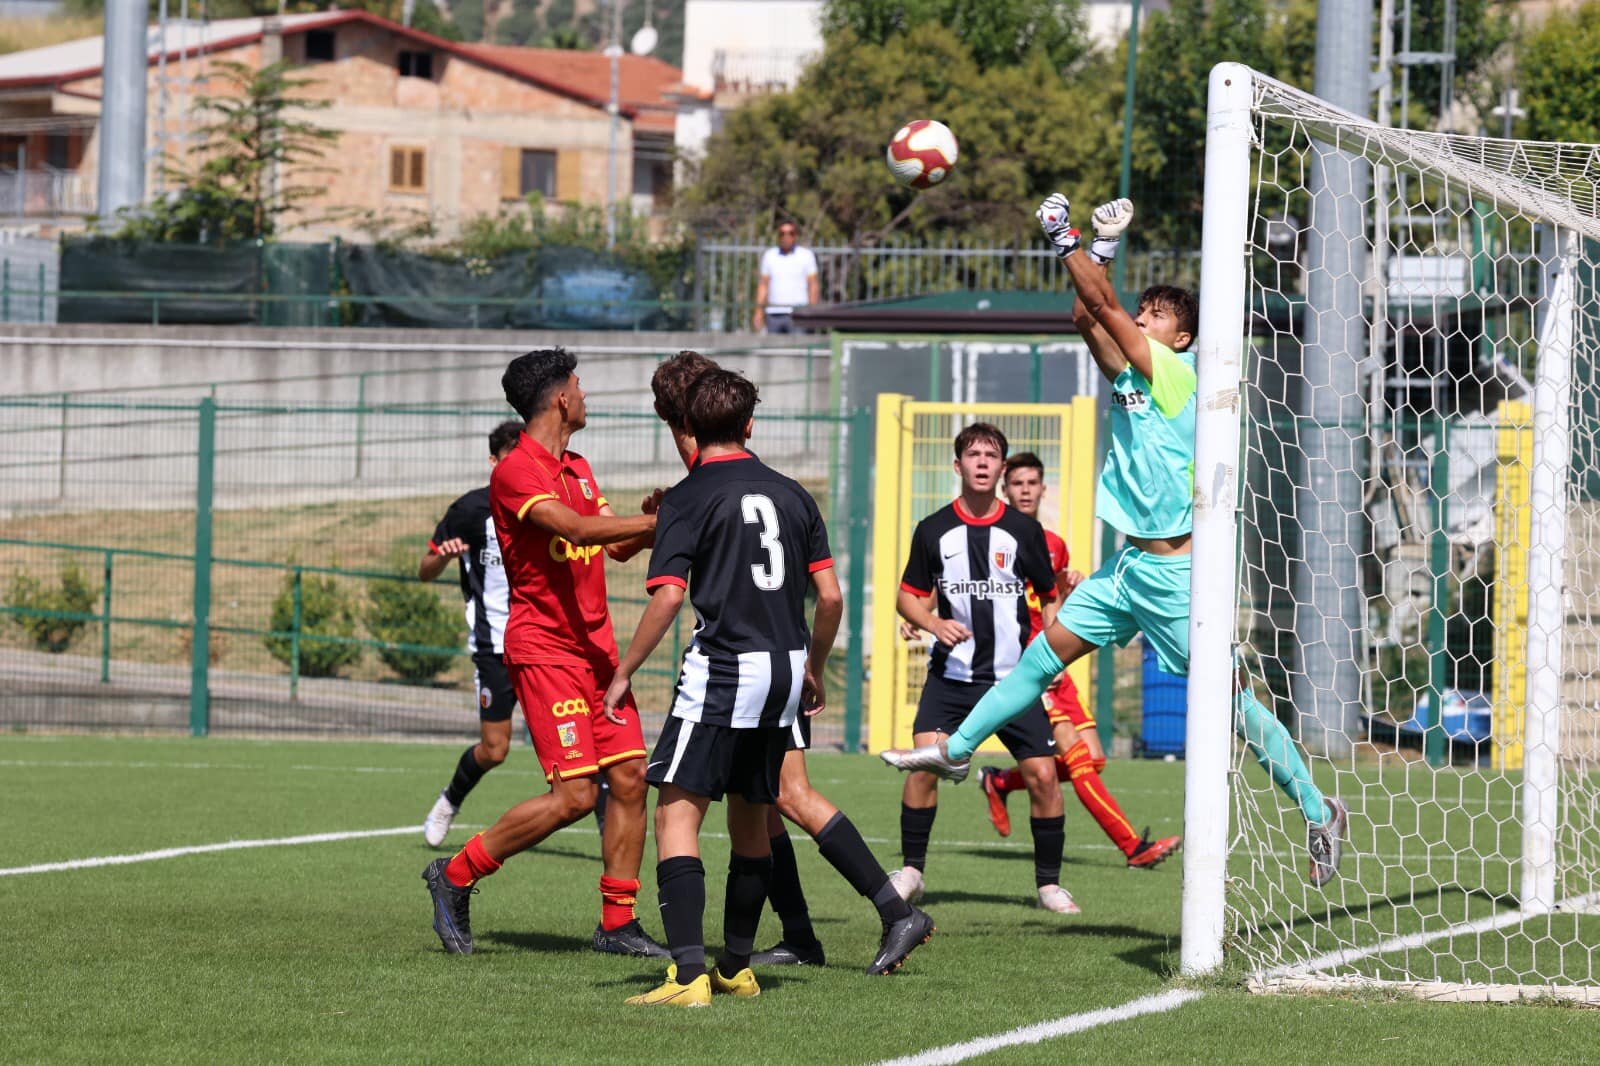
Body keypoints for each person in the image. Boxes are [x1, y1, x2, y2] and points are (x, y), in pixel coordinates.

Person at [882, 196, 1349, 888]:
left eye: (1156, 316)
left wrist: (1068, 238)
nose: (1143, 319)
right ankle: (955, 749)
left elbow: (1100, 303)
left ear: (1180, 340)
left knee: (1233, 706)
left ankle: (1317, 808)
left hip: (1175, 575)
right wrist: (1094, 251)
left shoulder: (1176, 376)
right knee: (1040, 663)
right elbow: (1085, 313)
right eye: (1145, 311)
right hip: (1129, 569)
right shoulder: (1132, 377)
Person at [606, 369, 935, 1006]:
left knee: (676, 812)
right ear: (751, 424)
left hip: (725, 669)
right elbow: (832, 596)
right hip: (785, 668)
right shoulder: (794, 494)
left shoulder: (686, 496)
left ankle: (687, 976)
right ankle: (735, 965)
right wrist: (811, 664)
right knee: (754, 813)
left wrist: (624, 671)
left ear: (690, 431)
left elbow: (670, 596)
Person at [421, 348, 670, 958]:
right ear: (561, 398)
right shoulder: (515, 473)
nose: (585, 396)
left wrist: (652, 522)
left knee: (632, 778)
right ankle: (454, 874)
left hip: (597, 653)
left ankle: (617, 923)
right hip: (545, 652)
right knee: (575, 797)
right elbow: (581, 531)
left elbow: (611, 548)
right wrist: (671, 520)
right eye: (580, 386)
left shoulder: (580, 467)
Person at [891, 422, 1078, 914]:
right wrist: (933, 622)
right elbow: (906, 598)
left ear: (1001, 467)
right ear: (957, 466)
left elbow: (1049, 593)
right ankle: (912, 871)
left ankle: (1049, 885)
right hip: (950, 680)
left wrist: (1051, 651)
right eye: (972, 454)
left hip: (1012, 682)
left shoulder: (1022, 530)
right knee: (924, 766)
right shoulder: (933, 529)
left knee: (1042, 775)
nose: (981, 462)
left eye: (990, 455)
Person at [976, 452, 1181, 869]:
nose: (1026, 490)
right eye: (1018, 483)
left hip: (1056, 664)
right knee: (1077, 756)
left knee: (1095, 757)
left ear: (1042, 489)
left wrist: (1073, 588)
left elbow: (1053, 607)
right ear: (1005, 489)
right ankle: (1133, 848)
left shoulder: (1054, 545)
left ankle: (1000, 780)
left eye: (1033, 483)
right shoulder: (993, 542)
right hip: (1025, 666)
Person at [418, 421, 524, 846]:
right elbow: (425, 569)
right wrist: (441, 558)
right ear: (493, 462)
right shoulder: (469, 510)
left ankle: (609, 832)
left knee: (580, 752)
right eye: (508, 460)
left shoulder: (545, 507)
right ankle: (449, 800)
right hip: (493, 646)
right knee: (495, 749)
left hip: (544, 644)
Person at [752, 221, 819, 334]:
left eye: (790, 233)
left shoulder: (806, 255)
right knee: (774, 350)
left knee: (798, 350)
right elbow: (763, 285)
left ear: (795, 235)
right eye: (782, 233)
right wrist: (758, 311)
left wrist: (811, 309)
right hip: (774, 314)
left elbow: (813, 284)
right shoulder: (770, 256)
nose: (786, 237)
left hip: (798, 314)